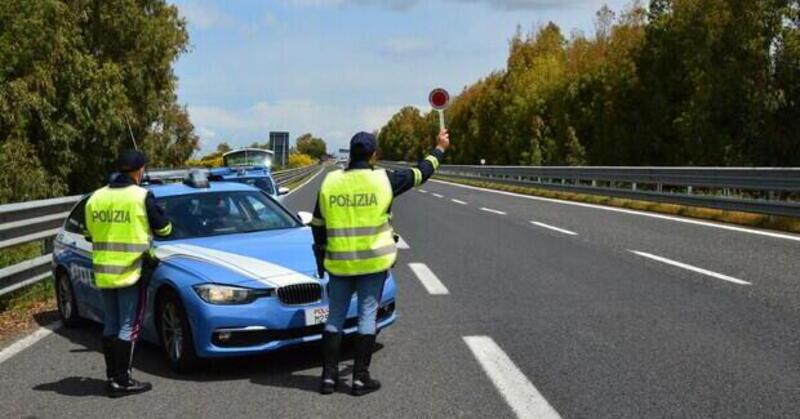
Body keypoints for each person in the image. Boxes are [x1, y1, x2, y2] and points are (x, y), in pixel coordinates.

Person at [311, 129, 450, 396]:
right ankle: (360, 378)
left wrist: (322, 253)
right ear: (374, 155)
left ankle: (328, 377)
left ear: (350, 154)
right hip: (372, 264)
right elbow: (421, 173)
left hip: (339, 264)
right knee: (367, 316)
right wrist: (440, 149)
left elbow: (317, 225)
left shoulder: (330, 182)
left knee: (334, 317)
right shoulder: (383, 179)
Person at [84, 150, 172, 398]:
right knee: (128, 326)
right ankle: (123, 381)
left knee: (111, 324)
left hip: (104, 272)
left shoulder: (95, 197)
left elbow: (89, 234)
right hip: (132, 271)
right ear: (140, 170)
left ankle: (112, 378)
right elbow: (165, 229)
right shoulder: (141, 196)